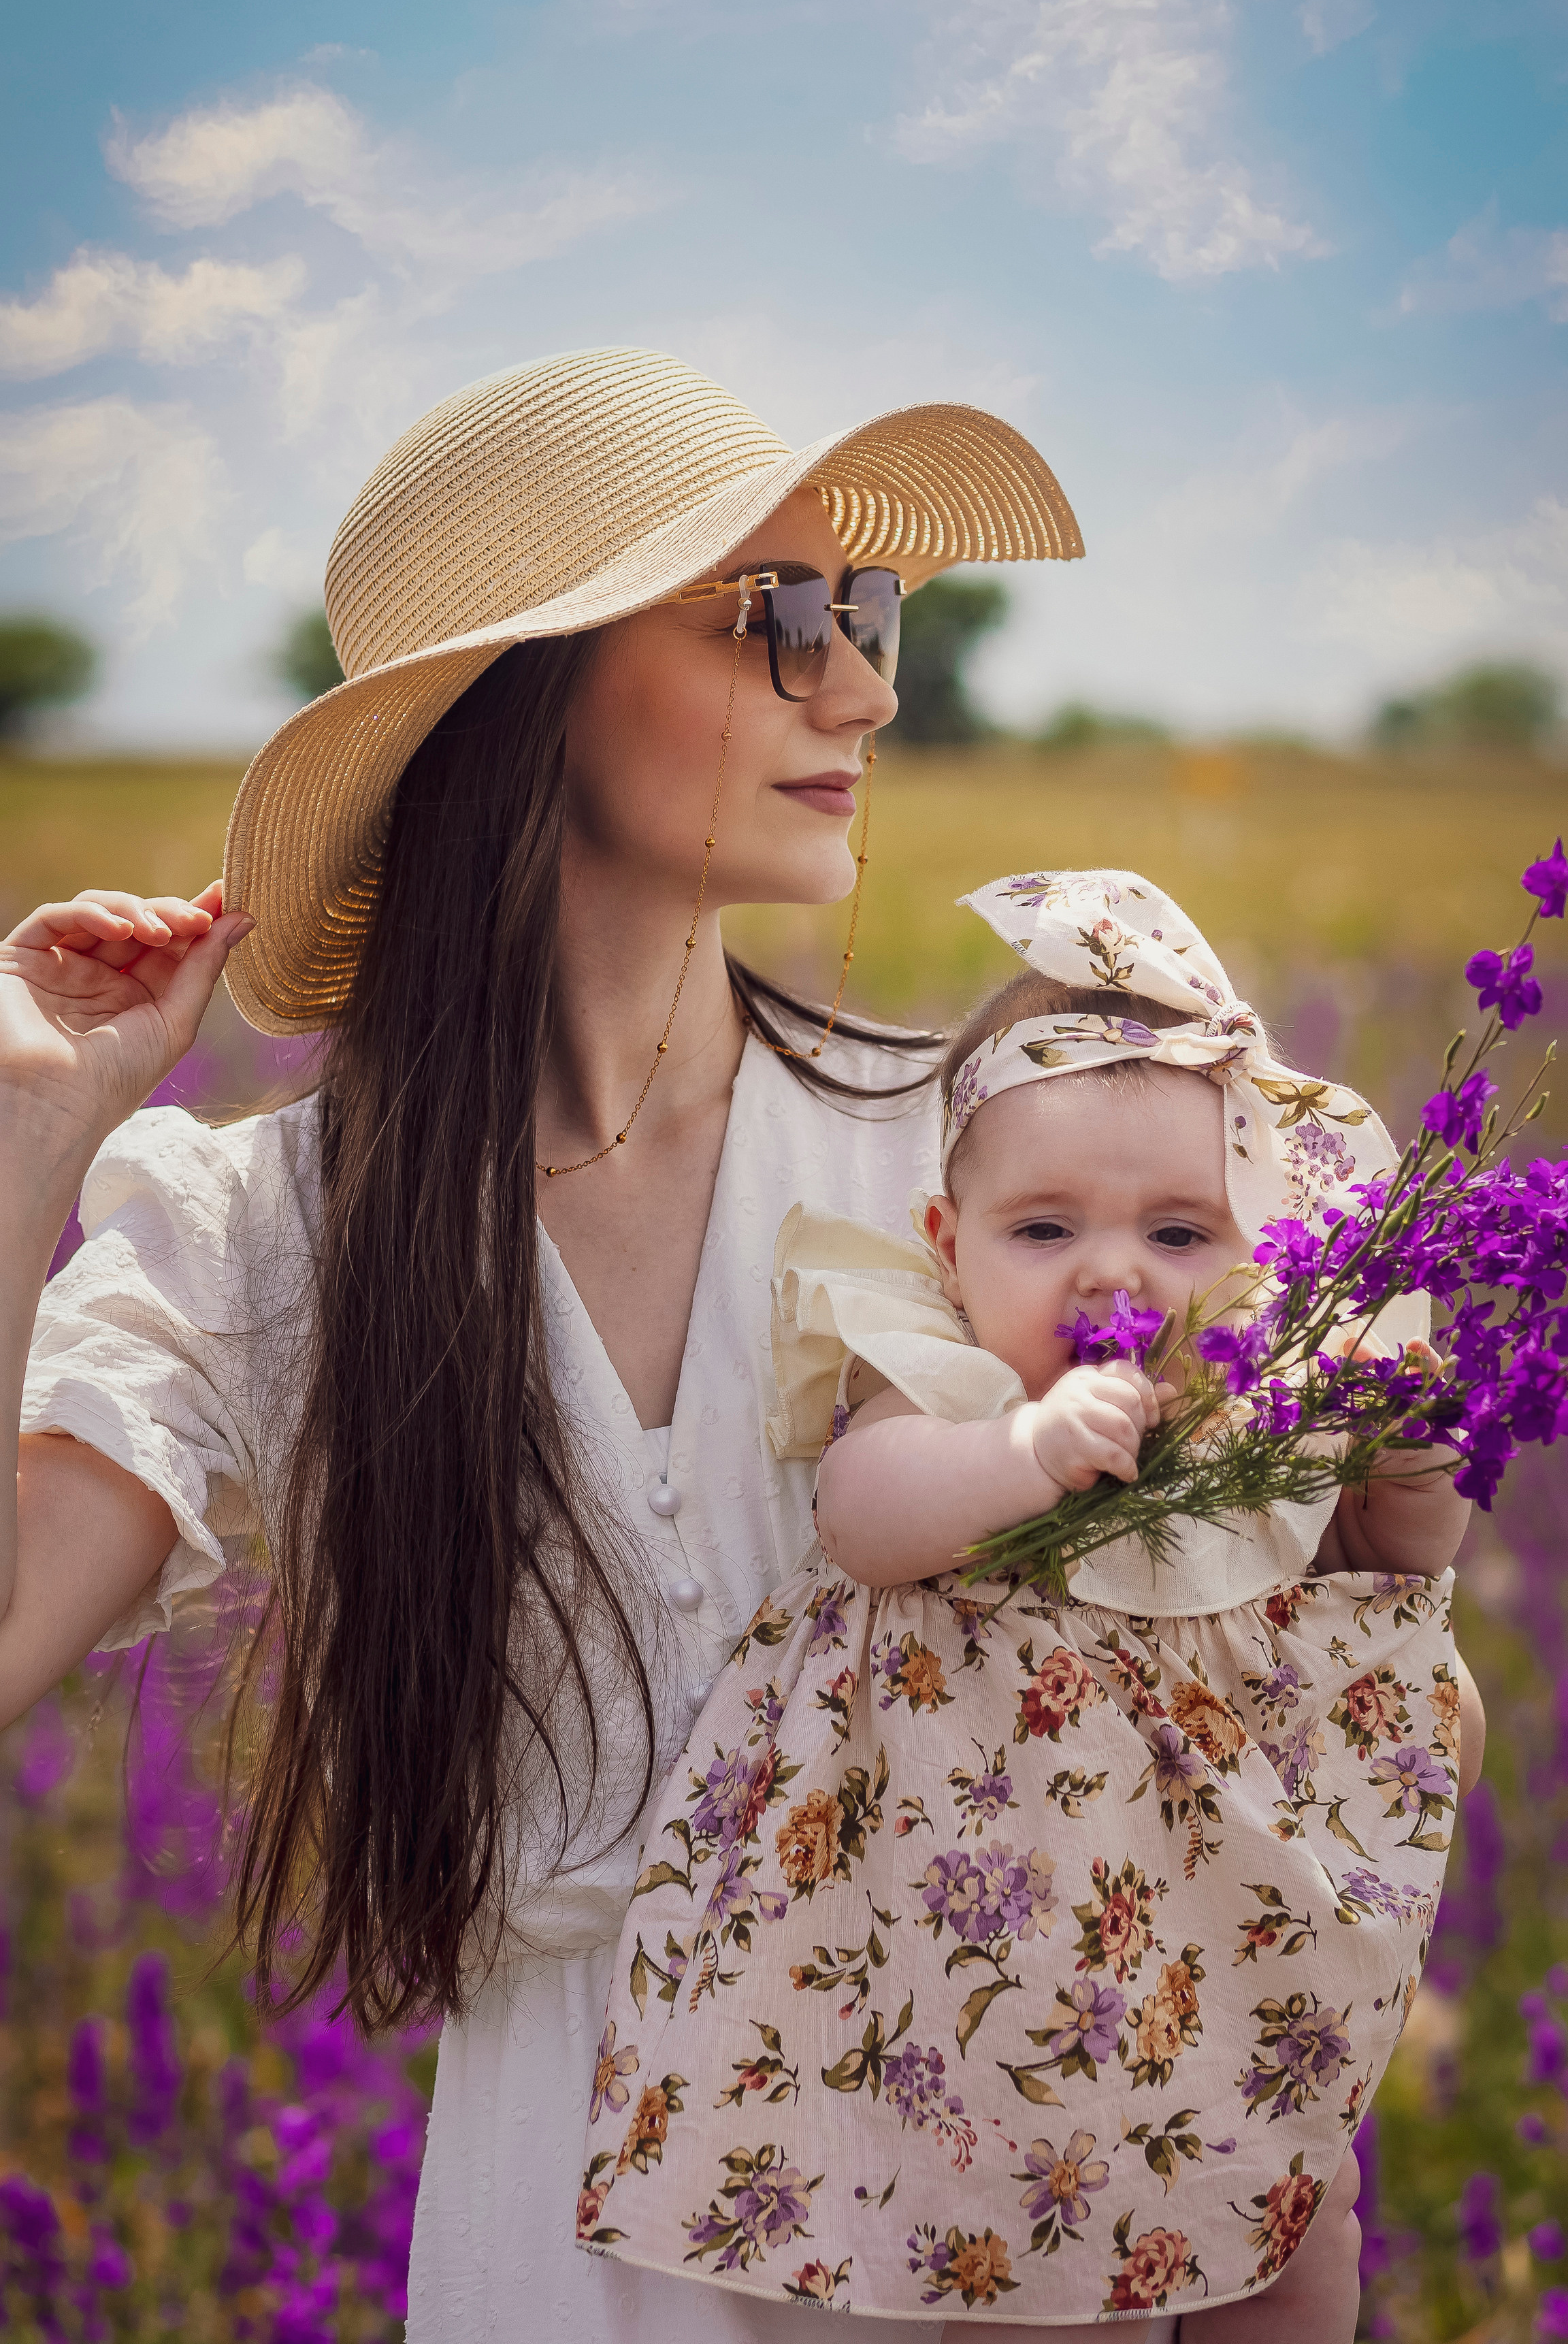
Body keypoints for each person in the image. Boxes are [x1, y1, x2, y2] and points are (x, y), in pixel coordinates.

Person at [0, 346, 1083, 2342]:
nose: (863, 685)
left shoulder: (979, 1150)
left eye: (870, 613)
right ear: (532, 687)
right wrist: (32, 1131)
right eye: (779, 616)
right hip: (559, 2248)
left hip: (984, 2186)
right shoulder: (273, 1233)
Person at [581, 868, 1481, 2341]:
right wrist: (1021, 1450)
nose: (1116, 1267)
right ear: (949, 1242)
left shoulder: (1255, 1409)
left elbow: (1391, 1561)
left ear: (1261, 1251)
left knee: (1300, 2206)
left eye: (1183, 1234)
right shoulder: (940, 1370)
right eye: (1045, 1228)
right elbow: (864, 1523)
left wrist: (1415, 1455)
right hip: (1017, 1981)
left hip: (1229, 1930)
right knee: (1058, 2270)